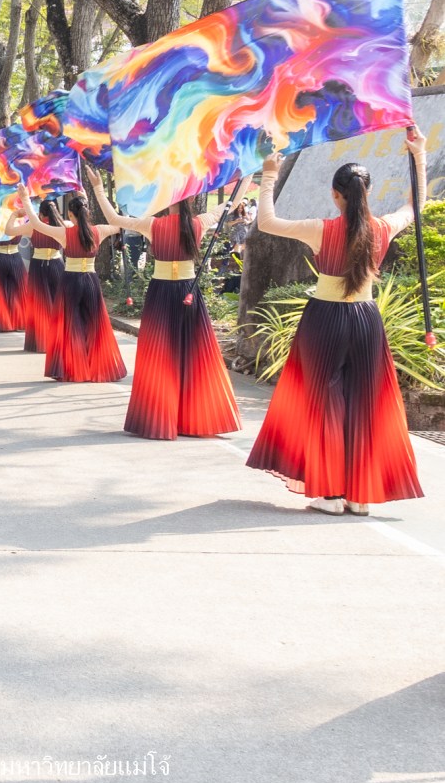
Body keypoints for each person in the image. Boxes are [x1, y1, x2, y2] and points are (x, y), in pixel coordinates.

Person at [247, 129, 427, 515]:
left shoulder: (321, 229)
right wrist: (419, 156)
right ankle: (360, 496)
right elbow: (416, 206)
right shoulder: (382, 228)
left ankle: (329, 493)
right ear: (369, 192)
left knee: (325, 400)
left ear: (336, 194)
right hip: (366, 320)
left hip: (324, 319)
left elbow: (267, 222)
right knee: (365, 401)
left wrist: (268, 174)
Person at [91, 169, 242, 440]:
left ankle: (158, 417)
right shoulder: (199, 223)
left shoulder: (153, 225)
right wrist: (256, 176)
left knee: (159, 355)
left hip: (161, 292)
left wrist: (99, 188)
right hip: (188, 292)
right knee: (193, 354)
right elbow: (227, 206)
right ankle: (196, 417)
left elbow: (113, 218)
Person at [19, 187, 126, 383]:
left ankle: (73, 367)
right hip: (91, 281)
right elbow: (118, 224)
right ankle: (95, 365)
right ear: (87, 212)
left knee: (71, 325)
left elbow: (35, 223)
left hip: (70, 281)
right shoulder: (99, 231)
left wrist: (26, 199)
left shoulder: (64, 233)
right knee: (94, 324)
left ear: (69, 214)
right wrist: (94, 192)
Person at [5, 196, 65, 353]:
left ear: (41, 213)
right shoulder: (63, 225)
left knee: (39, 304)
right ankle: (60, 340)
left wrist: (14, 216)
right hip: (57, 264)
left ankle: (41, 341)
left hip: (38, 266)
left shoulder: (33, 226)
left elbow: (9, 231)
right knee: (58, 303)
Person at [0, 230, 27, 333]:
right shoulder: (18, 222)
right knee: (17, 292)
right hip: (15, 256)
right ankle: (18, 321)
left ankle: (3, 322)